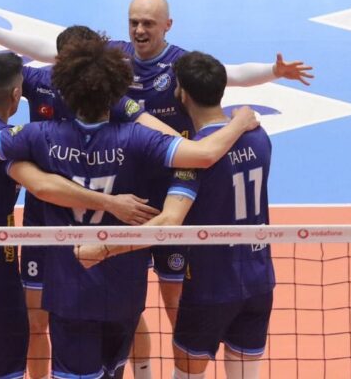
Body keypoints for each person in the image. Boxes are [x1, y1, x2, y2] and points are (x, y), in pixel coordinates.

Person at [0, 0, 308, 348]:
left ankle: (179, 359)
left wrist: (273, 72)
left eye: (147, 23)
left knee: (170, 300)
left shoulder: (179, 64)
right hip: (127, 185)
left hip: (168, 190)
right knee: (114, 302)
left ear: (167, 25)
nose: (139, 30)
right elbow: (49, 53)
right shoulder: (112, 57)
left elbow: (230, 75)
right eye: (133, 23)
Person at [0, 25, 175, 379]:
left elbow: (162, 133)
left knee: (123, 314)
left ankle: (141, 372)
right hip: (44, 220)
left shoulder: (110, 100)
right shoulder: (41, 84)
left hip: (102, 224)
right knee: (37, 320)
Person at [76, 52, 275, 379]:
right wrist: (238, 121)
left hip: (211, 288)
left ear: (181, 94)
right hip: (260, 283)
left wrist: (105, 248)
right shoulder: (260, 138)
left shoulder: (192, 159)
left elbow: (168, 222)